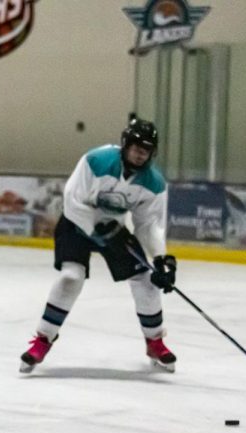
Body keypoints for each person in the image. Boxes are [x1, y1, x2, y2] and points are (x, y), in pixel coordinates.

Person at [19, 117, 178, 373]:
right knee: (71, 278)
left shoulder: (154, 184)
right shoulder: (96, 160)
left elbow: (148, 224)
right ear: (125, 144)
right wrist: (95, 230)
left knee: (147, 279)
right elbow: (72, 200)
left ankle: (155, 341)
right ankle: (43, 339)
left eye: (146, 150)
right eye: (137, 147)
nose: (140, 154)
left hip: (113, 228)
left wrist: (161, 259)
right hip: (76, 222)